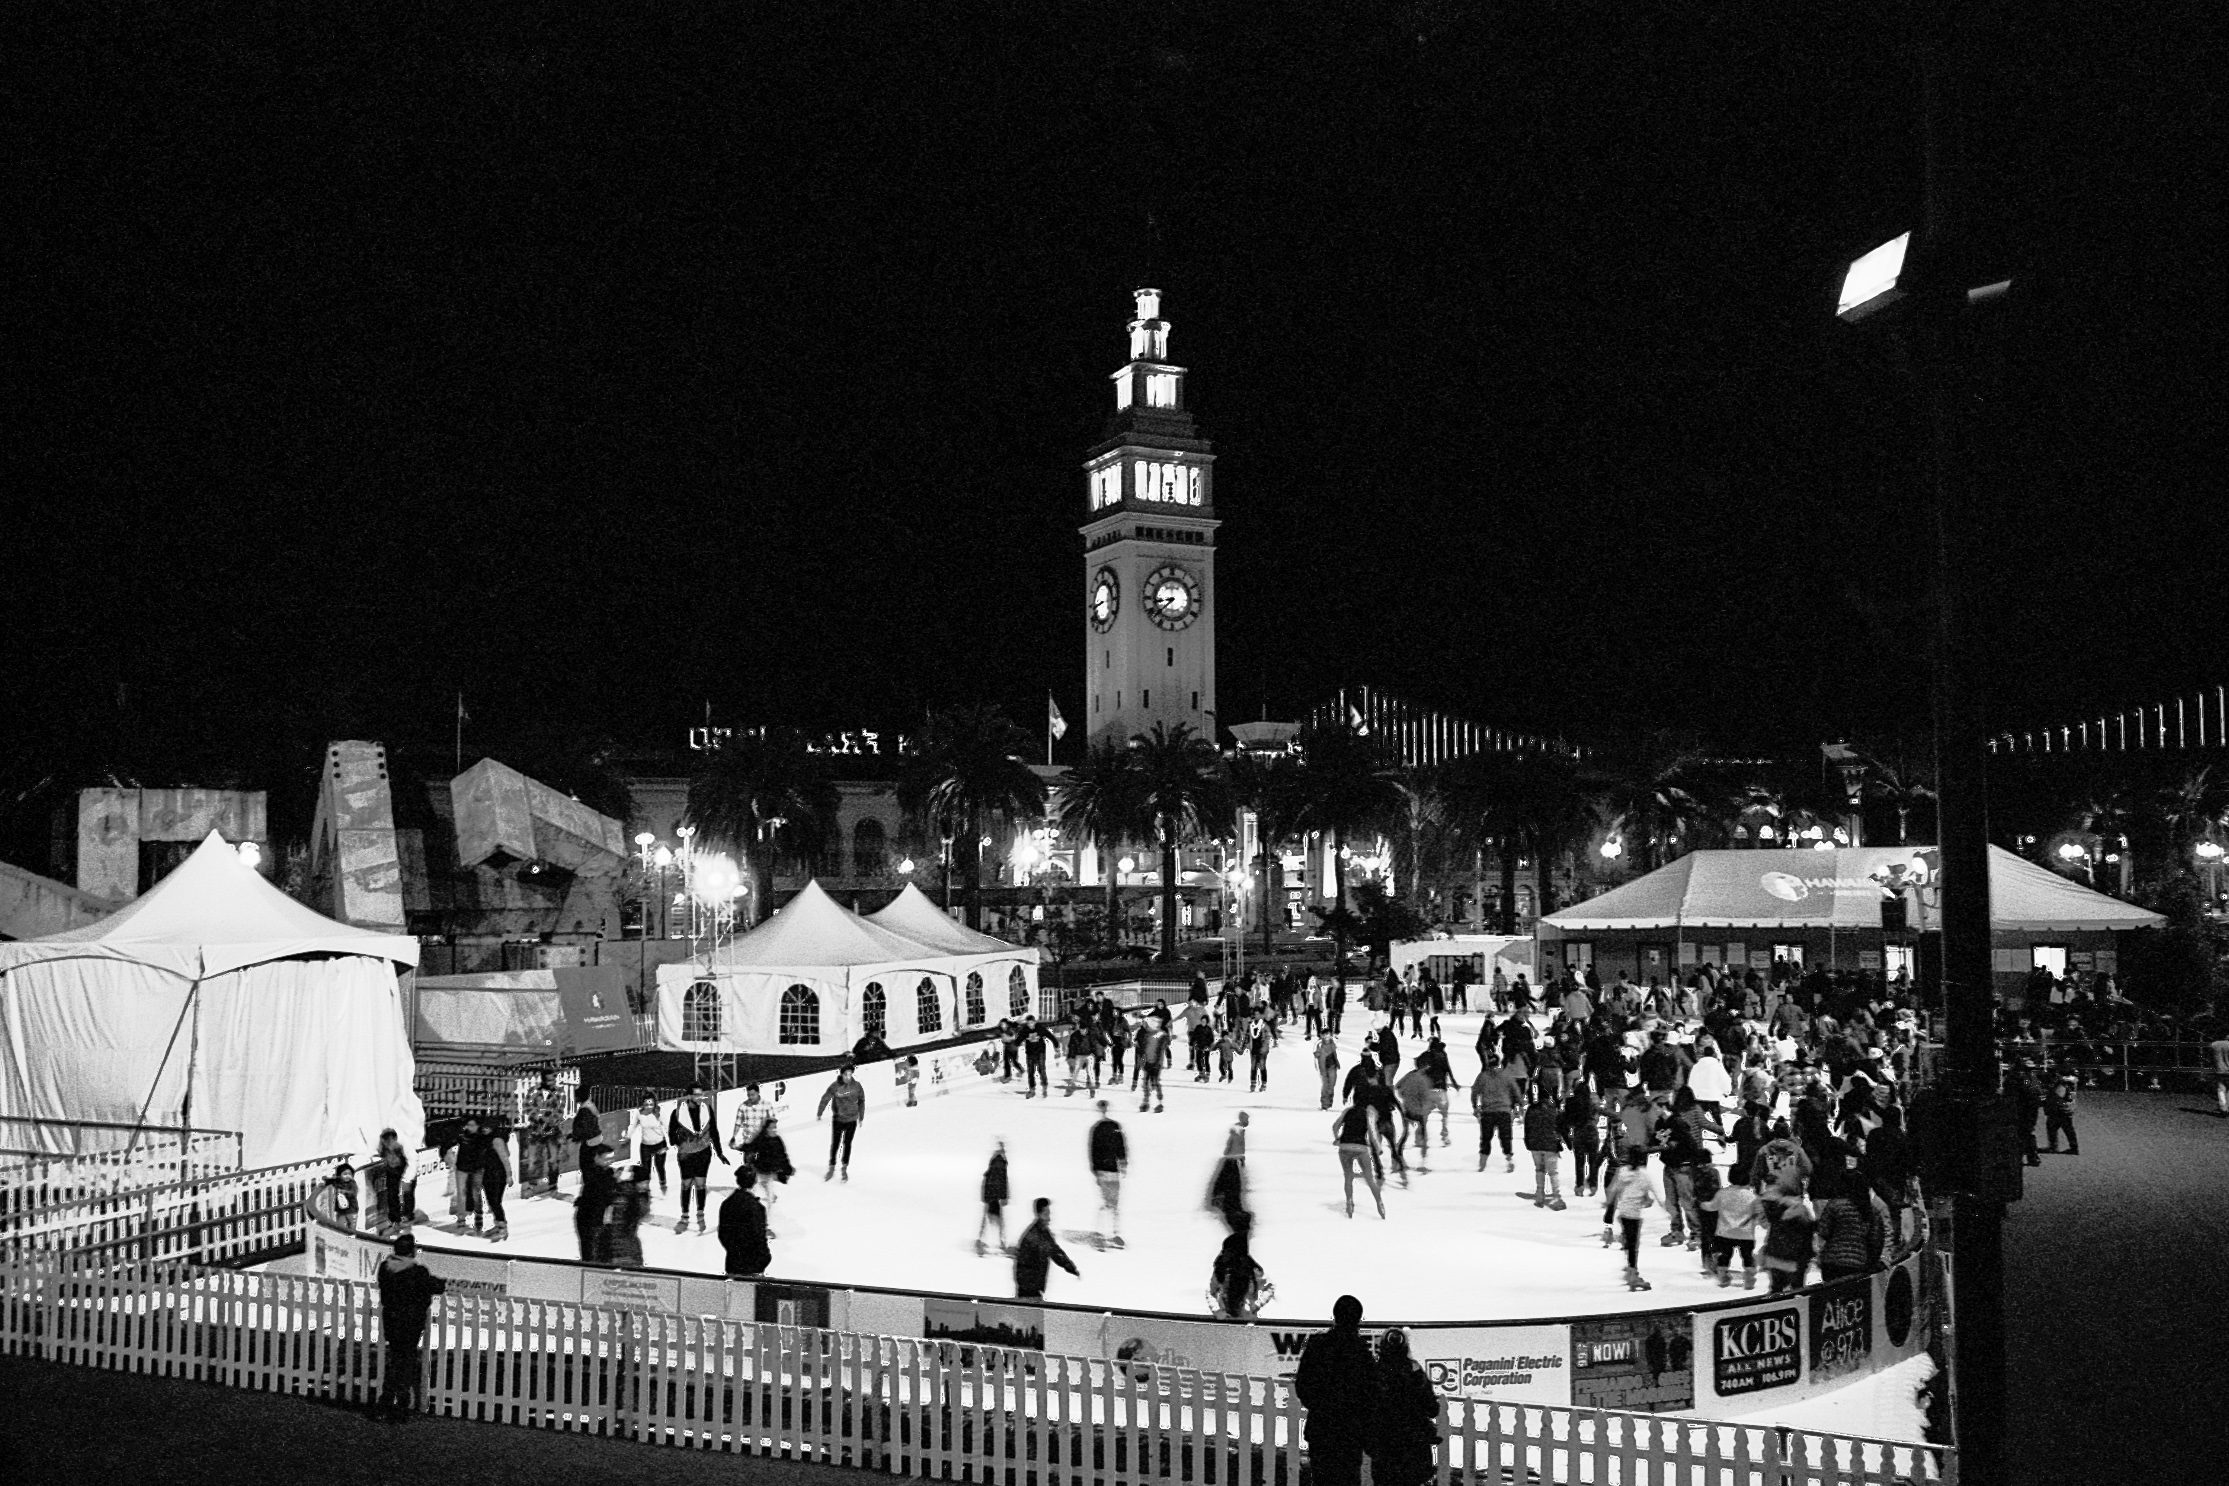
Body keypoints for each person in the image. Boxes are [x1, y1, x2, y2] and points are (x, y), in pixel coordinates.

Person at [1293, 1294, 1378, 1486]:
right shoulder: (1361, 1352)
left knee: (1322, 1479)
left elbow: (1303, 1386)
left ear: (1335, 1316)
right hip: (1350, 1433)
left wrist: (1322, 1408)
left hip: (1322, 1429)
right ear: (1358, 1319)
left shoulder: (1317, 1345)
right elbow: (1370, 1395)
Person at [374, 1232, 446, 1421]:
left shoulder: (385, 1268)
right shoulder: (417, 1272)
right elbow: (436, 1286)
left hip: (392, 1321)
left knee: (396, 1360)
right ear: (412, 1252)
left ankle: (386, 1401)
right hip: (410, 1324)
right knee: (405, 1362)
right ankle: (400, 1404)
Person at [1370, 1328, 1442, 1486]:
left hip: (1385, 1447)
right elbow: (1432, 1408)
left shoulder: (1374, 1373)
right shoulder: (1415, 1371)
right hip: (1414, 1447)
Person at [668, 1083, 727, 1230]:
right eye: (696, 1095)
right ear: (689, 1096)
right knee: (686, 1184)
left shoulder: (707, 1109)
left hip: (703, 1152)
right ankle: (684, 1217)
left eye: (701, 1094)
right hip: (686, 1154)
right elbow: (671, 1133)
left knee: (701, 1184)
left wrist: (719, 1152)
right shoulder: (677, 1112)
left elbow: (714, 1131)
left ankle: (700, 1214)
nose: (700, 1097)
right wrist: (679, 1143)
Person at [1604, 1147, 1660, 1290]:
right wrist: (1663, 1208)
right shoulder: (1644, 1175)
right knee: (1634, 1244)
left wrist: (1608, 1204)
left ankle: (1630, 1268)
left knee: (1628, 1241)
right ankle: (1633, 1272)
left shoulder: (1622, 1172)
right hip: (1634, 1214)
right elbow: (1654, 1193)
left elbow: (1612, 1190)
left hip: (1623, 1212)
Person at [1702, 1162, 1761, 1288]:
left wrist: (1701, 1204)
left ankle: (1723, 1276)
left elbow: (1712, 1206)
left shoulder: (1722, 1193)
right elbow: (1758, 1212)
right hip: (1746, 1234)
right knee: (1747, 1256)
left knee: (1724, 1256)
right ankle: (1749, 1278)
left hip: (1724, 1233)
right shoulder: (1752, 1197)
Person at [1013, 1197, 1079, 1300]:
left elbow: (1055, 1251)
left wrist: (1070, 1267)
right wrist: (1031, 1290)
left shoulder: (1043, 1232)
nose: (1049, 1218)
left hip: (1033, 1290)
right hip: (1029, 1292)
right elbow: (1023, 1266)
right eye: (1046, 1214)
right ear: (1039, 1215)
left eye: (1049, 1214)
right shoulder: (1034, 1236)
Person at [1333, 1093, 1386, 1219]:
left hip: (1345, 1147)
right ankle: (1380, 1204)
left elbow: (1335, 1126)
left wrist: (1338, 1139)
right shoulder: (1369, 1114)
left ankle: (1349, 1204)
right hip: (1361, 1148)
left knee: (1348, 1177)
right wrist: (1378, 1148)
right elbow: (1372, 1134)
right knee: (1369, 1178)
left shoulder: (1347, 1111)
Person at [1208, 1214, 1267, 1318]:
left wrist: (1255, 1305)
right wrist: (1218, 1311)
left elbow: (1269, 1287)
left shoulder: (1252, 1269)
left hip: (1246, 1319)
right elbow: (1210, 1292)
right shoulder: (1221, 1268)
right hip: (1225, 1319)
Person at [1470, 1053, 1521, 1174]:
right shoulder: (1507, 1076)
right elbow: (1516, 1092)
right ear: (1499, 1063)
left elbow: (1474, 1092)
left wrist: (1475, 1107)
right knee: (1506, 1137)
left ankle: (1482, 1163)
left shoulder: (1483, 1076)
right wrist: (1516, 1106)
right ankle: (1509, 1160)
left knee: (1486, 1138)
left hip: (1487, 1112)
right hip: (1504, 1111)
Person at [718, 1167, 773, 1277]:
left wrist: (734, 1252)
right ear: (754, 1182)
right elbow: (759, 1237)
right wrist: (764, 1258)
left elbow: (723, 1234)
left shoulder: (727, 1204)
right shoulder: (756, 1207)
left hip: (733, 1264)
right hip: (752, 1266)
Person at [817, 1061, 867, 1180]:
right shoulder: (835, 1086)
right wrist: (820, 1112)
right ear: (842, 1075)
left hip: (851, 1120)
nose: (848, 1077)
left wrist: (861, 1117)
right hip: (838, 1120)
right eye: (846, 1075)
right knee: (835, 1144)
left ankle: (844, 1168)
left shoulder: (857, 1086)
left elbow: (861, 1101)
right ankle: (831, 1167)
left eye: (850, 1075)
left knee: (847, 1144)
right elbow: (825, 1098)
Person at [1088, 1102, 1128, 1248]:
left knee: (1114, 1204)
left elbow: (1120, 1146)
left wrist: (1123, 1163)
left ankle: (1114, 1233)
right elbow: (1094, 1151)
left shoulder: (1106, 1127)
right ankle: (1101, 1233)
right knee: (1107, 1204)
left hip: (1111, 1170)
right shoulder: (1101, 1128)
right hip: (1105, 1170)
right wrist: (1096, 1171)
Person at [1522, 1082, 1566, 1208]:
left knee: (1539, 1170)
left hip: (1535, 1145)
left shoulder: (1531, 1109)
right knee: (1553, 1172)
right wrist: (1562, 1142)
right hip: (1550, 1145)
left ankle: (1540, 1195)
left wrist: (1528, 1142)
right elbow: (1560, 1127)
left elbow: (1527, 1127)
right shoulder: (1553, 1110)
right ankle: (1556, 1196)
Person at [1561, 1080, 1607, 1198]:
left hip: (1579, 1133)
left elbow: (1566, 1120)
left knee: (1579, 1162)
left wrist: (1567, 1136)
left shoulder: (1571, 1102)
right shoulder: (1592, 1102)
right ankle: (1593, 1186)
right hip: (1592, 1131)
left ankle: (1580, 1186)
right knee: (1593, 1161)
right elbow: (1602, 1112)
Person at [521, 1072, 565, 1196]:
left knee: (553, 1159)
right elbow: (526, 1107)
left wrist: (549, 1120)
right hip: (536, 1129)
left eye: (554, 1080)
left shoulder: (559, 1092)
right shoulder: (533, 1091)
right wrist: (538, 1117)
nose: (553, 1083)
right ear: (544, 1080)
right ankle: (531, 1187)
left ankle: (553, 1186)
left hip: (552, 1130)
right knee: (533, 1159)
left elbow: (561, 1110)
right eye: (550, 1080)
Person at [575, 1138, 617, 1262]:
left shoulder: (609, 1173)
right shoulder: (592, 1173)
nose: (610, 1162)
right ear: (596, 1158)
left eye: (612, 1159)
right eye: (606, 1159)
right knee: (590, 1252)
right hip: (588, 1218)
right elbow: (601, 1191)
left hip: (600, 1218)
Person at [1207, 1112, 1250, 1231]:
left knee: (1231, 1182)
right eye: (1247, 1119)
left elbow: (1234, 1146)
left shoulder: (1239, 1130)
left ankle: (1221, 1200)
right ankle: (1221, 1201)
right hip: (1232, 1159)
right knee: (1232, 1183)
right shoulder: (1238, 1131)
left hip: (1234, 1158)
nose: (1248, 1121)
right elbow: (1235, 1146)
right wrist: (1239, 1156)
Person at [606, 1164, 651, 1269]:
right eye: (643, 1183)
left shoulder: (637, 1194)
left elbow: (643, 1213)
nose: (645, 1186)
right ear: (636, 1181)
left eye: (647, 1183)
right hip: (620, 1238)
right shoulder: (625, 1196)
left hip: (628, 1235)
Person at [373, 1127, 412, 1232]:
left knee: (396, 1197)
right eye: (388, 1137)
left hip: (396, 1172)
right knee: (392, 1197)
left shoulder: (396, 1147)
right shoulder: (385, 1148)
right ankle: (395, 1221)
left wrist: (401, 1171)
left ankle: (398, 1220)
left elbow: (403, 1161)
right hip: (392, 1173)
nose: (390, 1140)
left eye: (391, 1137)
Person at [978, 1141, 1012, 1255]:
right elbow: (1001, 1181)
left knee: (987, 1219)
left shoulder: (995, 1161)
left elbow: (989, 1178)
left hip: (991, 1195)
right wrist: (1004, 1197)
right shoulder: (1000, 1162)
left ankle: (981, 1240)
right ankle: (1001, 1242)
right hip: (995, 1195)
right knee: (999, 1220)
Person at [1134, 1017, 1168, 1113]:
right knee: (1145, 1083)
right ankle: (1146, 1102)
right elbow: (1143, 1050)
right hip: (1148, 1062)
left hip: (1156, 1063)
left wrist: (1157, 1063)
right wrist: (1142, 1062)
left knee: (1155, 1082)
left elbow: (1161, 1048)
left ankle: (1159, 1103)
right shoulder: (1147, 1035)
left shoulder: (1161, 1035)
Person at [2043, 1072, 2080, 1155]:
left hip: (2059, 1110)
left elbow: (2058, 1097)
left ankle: (2053, 1147)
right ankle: (2074, 1147)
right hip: (2065, 1109)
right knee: (2068, 1129)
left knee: (2052, 1126)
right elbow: (2072, 1096)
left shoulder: (2063, 1083)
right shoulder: (2071, 1084)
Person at [324, 1159, 360, 1230]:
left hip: (352, 1210)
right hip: (341, 1211)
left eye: (349, 1174)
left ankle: (352, 1236)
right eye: (344, 1174)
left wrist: (343, 1191)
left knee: (352, 1226)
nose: (347, 1176)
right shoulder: (337, 1182)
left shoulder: (352, 1183)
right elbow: (331, 1181)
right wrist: (326, 1180)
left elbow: (353, 1192)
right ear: (339, 1176)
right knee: (341, 1226)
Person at [1315, 1030, 1342, 1111]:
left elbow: (1334, 1053)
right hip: (1323, 1068)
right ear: (1322, 1036)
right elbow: (1316, 1057)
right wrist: (1318, 1069)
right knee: (1325, 1086)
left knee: (1331, 1086)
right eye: (1325, 1035)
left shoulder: (1333, 1042)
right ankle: (1324, 1105)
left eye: (1328, 1035)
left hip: (1332, 1067)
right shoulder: (1319, 1044)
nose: (1327, 1037)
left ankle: (1329, 1103)